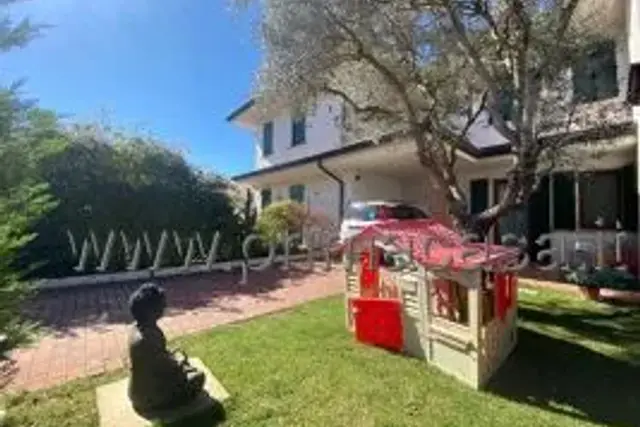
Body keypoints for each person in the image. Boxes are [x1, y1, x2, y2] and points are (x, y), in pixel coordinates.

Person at [127, 282, 205, 417]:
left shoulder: (137, 328)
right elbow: (168, 370)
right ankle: (170, 405)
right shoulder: (147, 339)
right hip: (150, 399)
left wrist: (174, 358)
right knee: (198, 376)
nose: (164, 307)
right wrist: (181, 361)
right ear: (151, 310)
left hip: (138, 391)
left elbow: (158, 358)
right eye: (161, 304)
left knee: (185, 365)